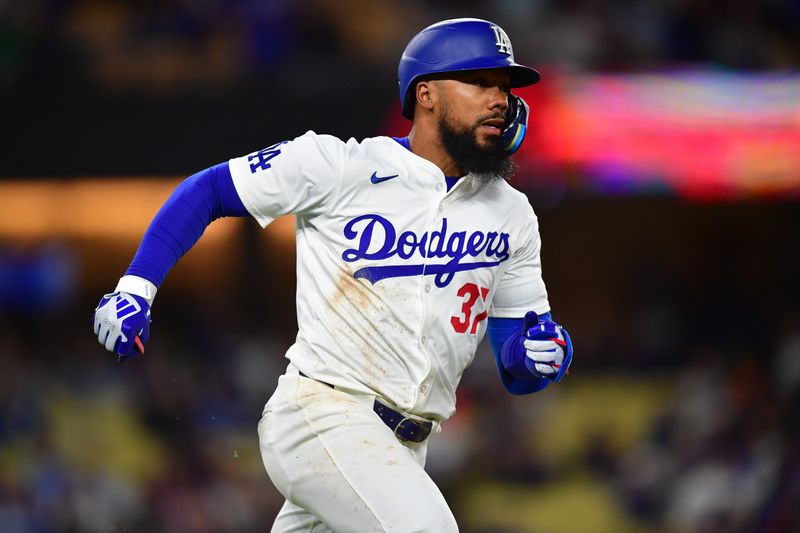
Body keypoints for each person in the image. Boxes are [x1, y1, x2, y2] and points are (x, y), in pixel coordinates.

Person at [92, 17, 573, 532]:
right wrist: (135, 288)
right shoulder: (339, 166)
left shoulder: (512, 213)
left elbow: (516, 364)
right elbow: (207, 190)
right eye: (480, 82)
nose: (500, 99)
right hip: (323, 415)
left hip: (404, 448)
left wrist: (540, 356)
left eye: (504, 87)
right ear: (427, 94)